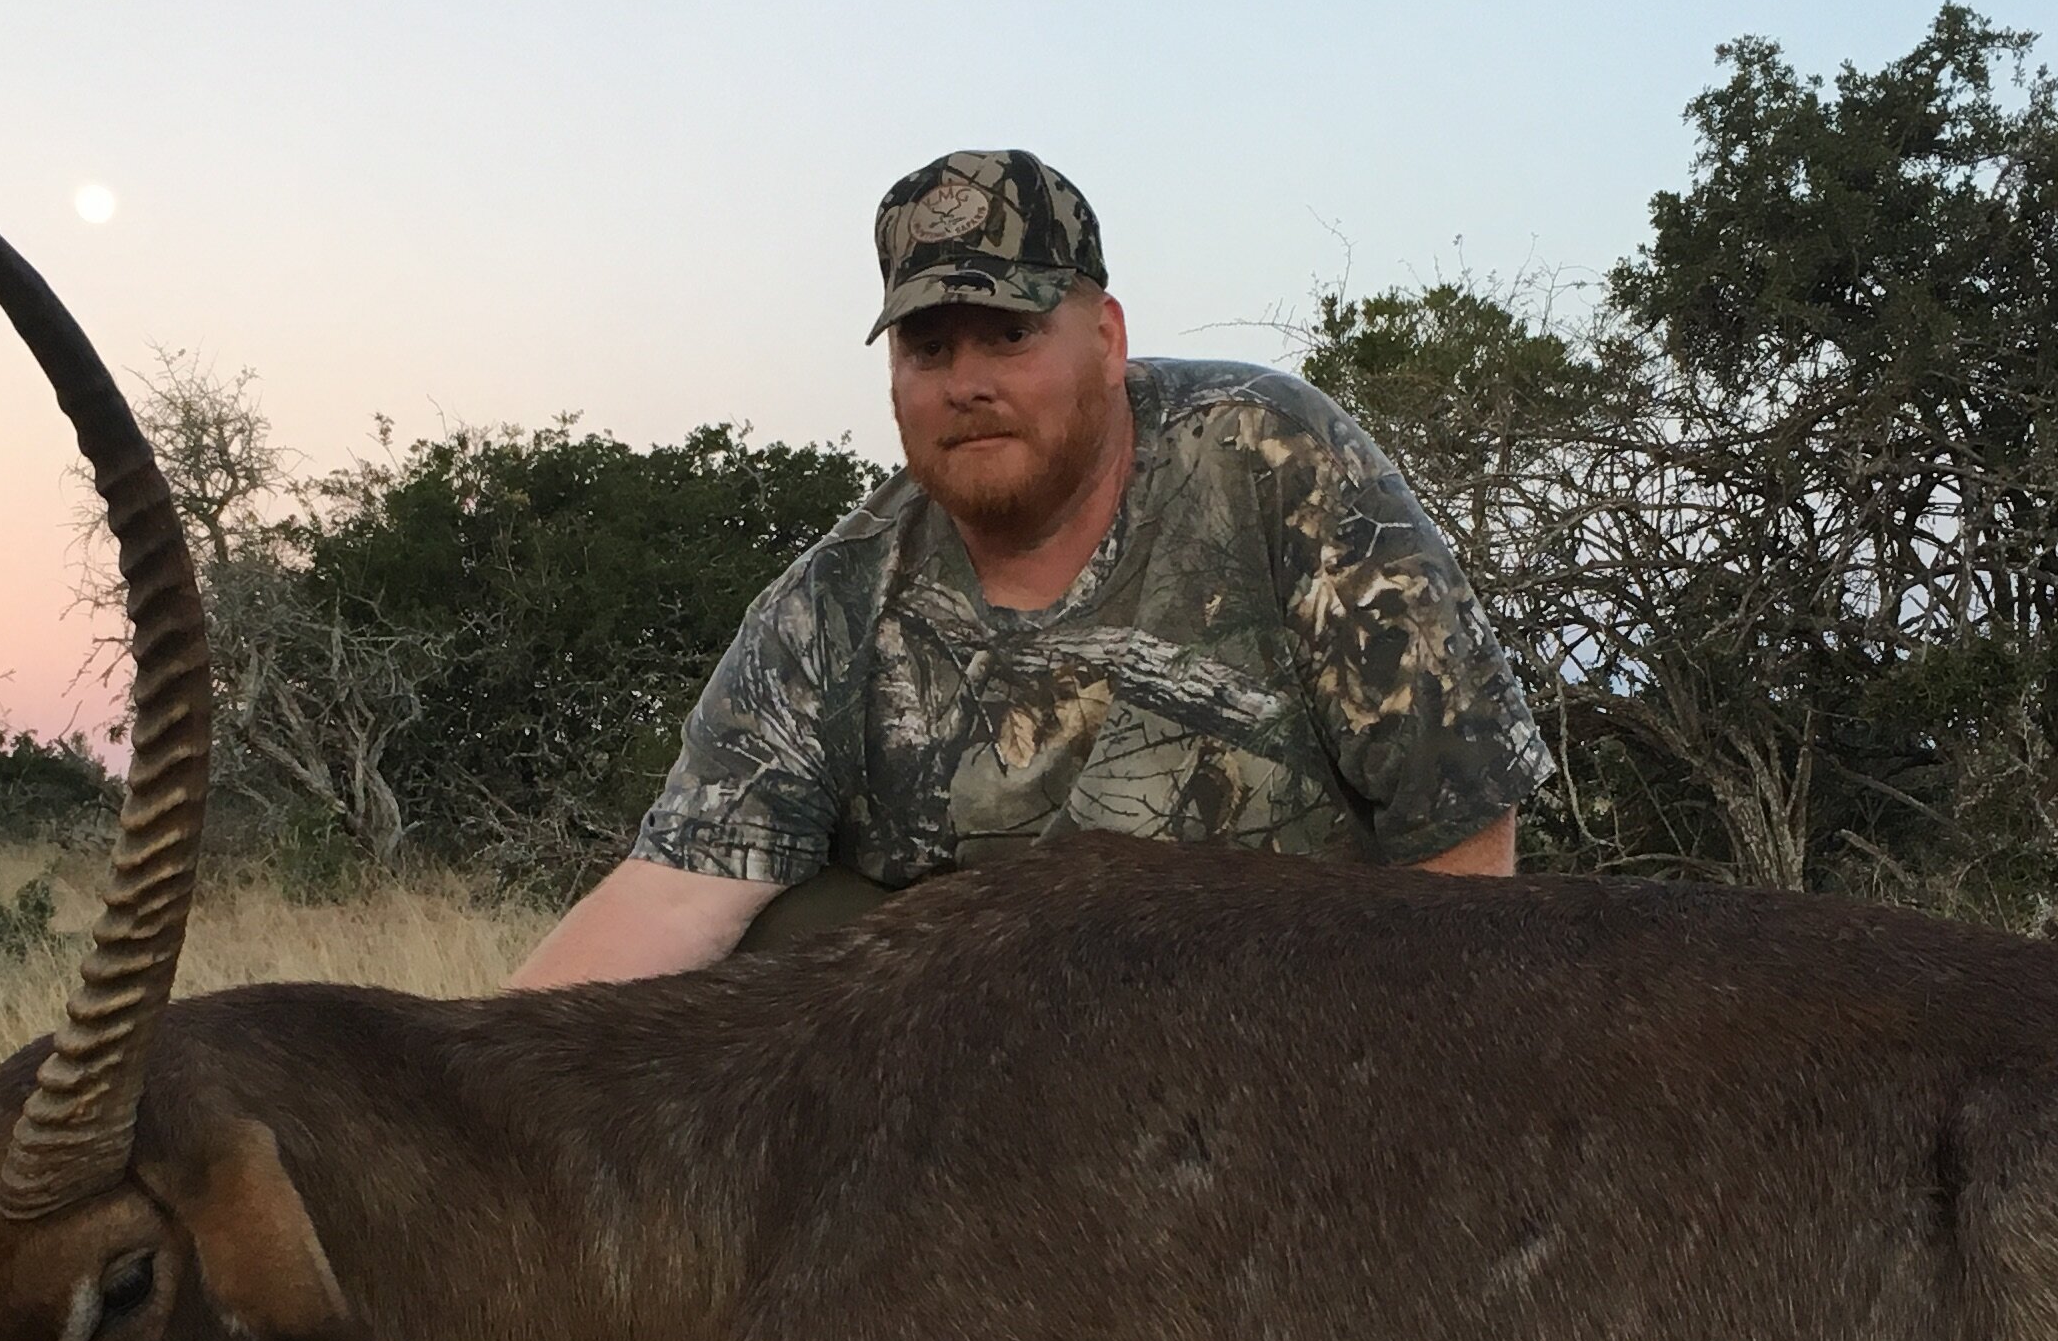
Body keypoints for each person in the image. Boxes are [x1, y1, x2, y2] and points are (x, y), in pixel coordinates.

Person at [510, 149, 1552, 986]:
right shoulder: (831, 603)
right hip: (997, 1104)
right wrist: (461, 1096)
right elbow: (676, 893)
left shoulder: (1280, 460)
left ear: (1105, 339)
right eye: (928, 349)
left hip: (1283, 1033)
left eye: (1008, 337)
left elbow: (1461, 835)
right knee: (780, 945)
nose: (965, 384)